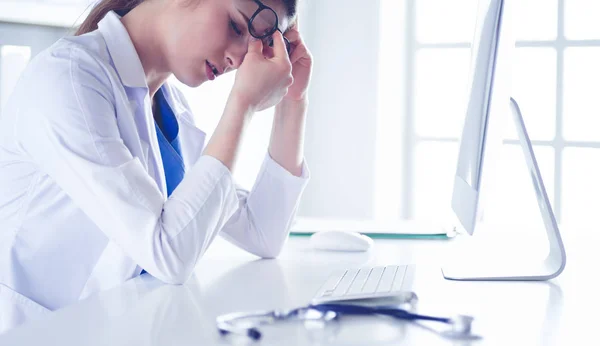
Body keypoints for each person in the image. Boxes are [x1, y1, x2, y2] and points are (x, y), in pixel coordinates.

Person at [0, 0, 312, 332]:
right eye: (236, 26)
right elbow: (168, 255)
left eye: (258, 43)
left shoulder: (170, 108)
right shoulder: (69, 79)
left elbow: (263, 232)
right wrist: (243, 103)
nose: (238, 57)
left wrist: (294, 98)